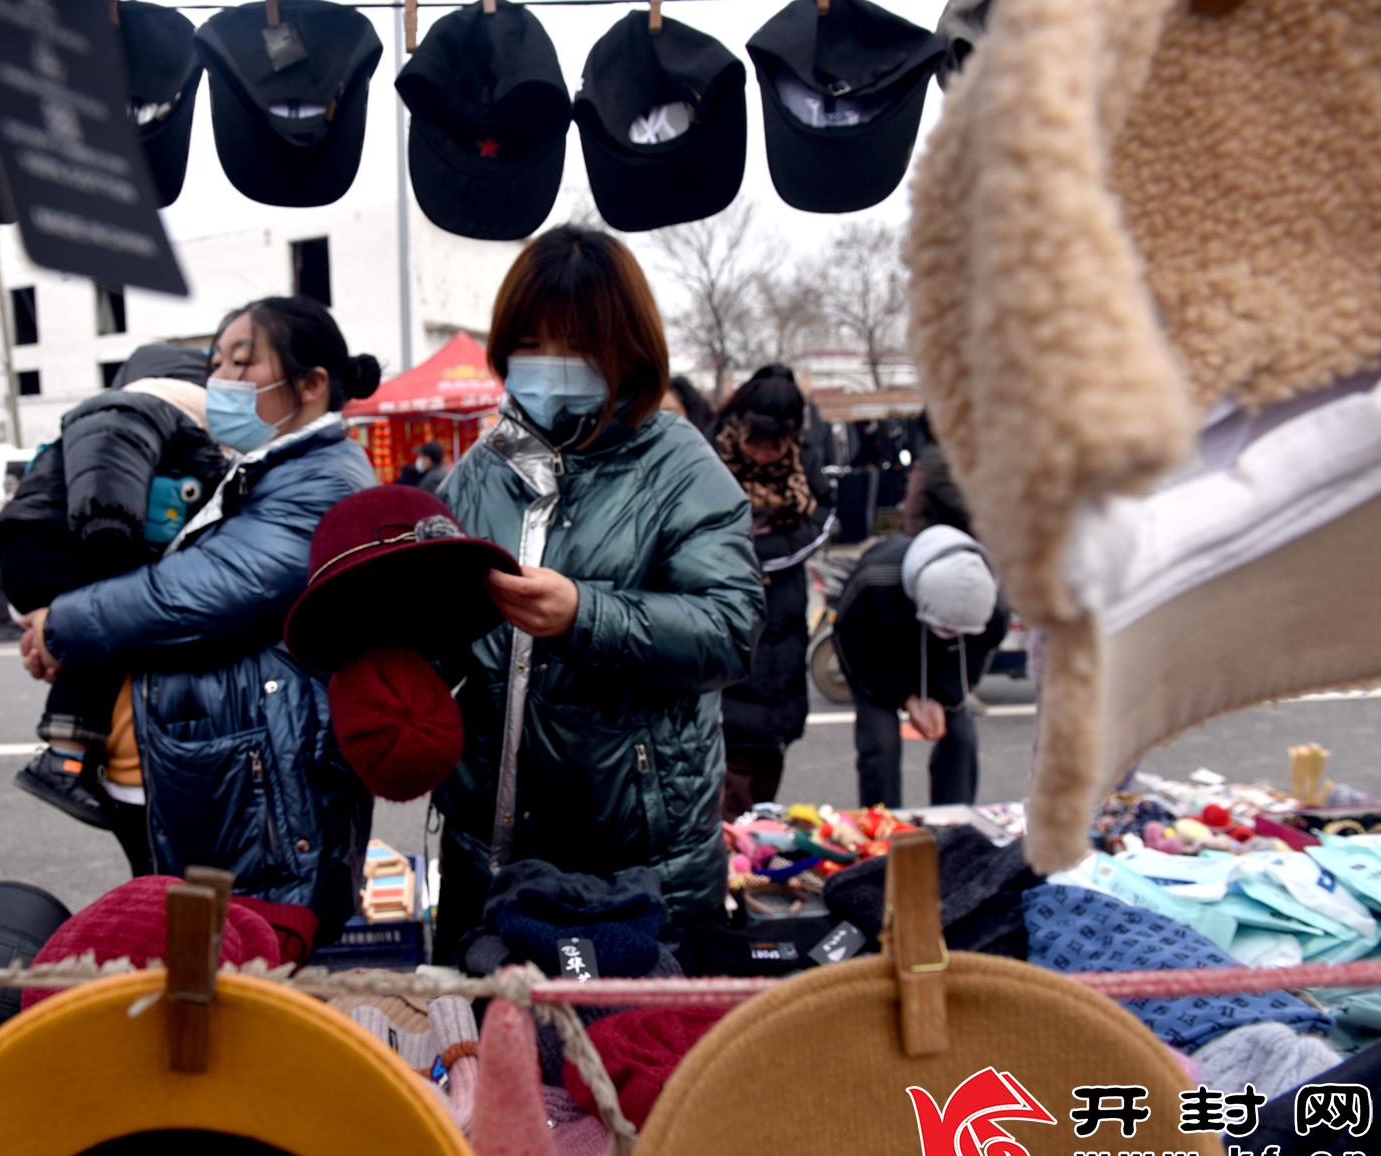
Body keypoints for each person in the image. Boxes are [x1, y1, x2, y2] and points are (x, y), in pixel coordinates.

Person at [432, 226, 763, 961]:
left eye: (574, 343)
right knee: (487, 1063)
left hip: (641, 871)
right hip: (484, 856)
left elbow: (732, 628)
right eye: (532, 341)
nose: (550, 365)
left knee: (635, 1064)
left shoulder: (678, 462)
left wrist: (588, 614)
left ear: (628, 347)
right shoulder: (482, 469)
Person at [17, 297, 381, 930]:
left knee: (253, 966)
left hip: (267, 796)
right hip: (222, 777)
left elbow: (196, 590)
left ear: (312, 385)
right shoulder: (257, 470)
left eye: (243, 364)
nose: (220, 382)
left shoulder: (323, 480)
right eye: (215, 363)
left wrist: (62, 624)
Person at [0, 344, 230, 843]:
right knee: (105, 622)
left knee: (99, 629)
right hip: (62, 548)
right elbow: (108, 489)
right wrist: (116, 538)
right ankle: (62, 759)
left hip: (48, 550)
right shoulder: (138, 414)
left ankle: (68, 758)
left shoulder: (142, 425)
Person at [711, 366, 835, 818]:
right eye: (753, 444)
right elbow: (692, 532)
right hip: (724, 604)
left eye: (774, 447)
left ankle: (753, 856)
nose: (762, 457)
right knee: (730, 778)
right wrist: (739, 567)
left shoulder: (805, 465)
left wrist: (768, 559)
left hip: (783, 609)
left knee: (767, 762)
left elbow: (819, 522)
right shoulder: (709, 459)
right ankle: (729, 863)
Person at [833, 518, 1009, 808]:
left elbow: (975, 660)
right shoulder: (875, 579)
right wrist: (906, 696)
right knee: (881, 743)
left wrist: (943, 697)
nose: (952, 634)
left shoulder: (993, 607)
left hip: (946, 666)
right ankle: (883, 827)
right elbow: (853, 648)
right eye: (946, 629)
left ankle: (954, 824)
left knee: (962, 739)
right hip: (879, 659)